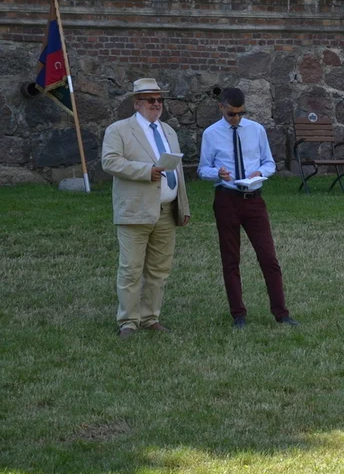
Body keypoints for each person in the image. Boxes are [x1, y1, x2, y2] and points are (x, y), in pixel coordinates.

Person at [197, 87, 298, 329]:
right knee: (231, 259)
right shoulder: (211, 134)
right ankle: (238, 315)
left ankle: (281, 313)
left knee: (268, 257)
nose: (237, 118)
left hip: (254, 199)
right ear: (221, 108)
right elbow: (202, 169)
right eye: (232, 114)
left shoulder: (256, 130)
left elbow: (269, 162)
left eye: (241, 113)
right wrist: (217, 173)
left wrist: (260, 172)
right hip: (226, 200)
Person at [101, 78, 191, 339]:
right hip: (135, 210)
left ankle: (151, 317)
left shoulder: (169, 131)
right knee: (130, 268)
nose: (156, 104)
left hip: (165, 211)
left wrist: (182, 205)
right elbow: (109, 161)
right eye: (151, 99)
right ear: (137, 103)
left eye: (160, 100)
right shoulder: (119, 130)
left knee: (159, 270)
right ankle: (128, 321)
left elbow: (178, 172)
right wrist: (145, 171)